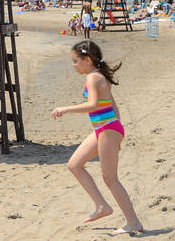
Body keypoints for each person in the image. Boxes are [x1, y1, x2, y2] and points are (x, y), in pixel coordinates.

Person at [51, 41, 143, 235]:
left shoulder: (94, 77)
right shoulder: (99, 76)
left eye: (76, 61)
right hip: (107, 128)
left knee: (110, 179)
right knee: (74, 164)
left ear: (87, 60)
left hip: (108, 129)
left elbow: (93, 105)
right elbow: (113, 105)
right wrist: (118, 132)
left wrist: (65, 109)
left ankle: (133, 222)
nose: (73, 65)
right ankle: (102, 206)